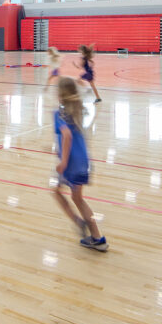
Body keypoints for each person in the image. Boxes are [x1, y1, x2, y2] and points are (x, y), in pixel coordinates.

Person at [51, 77, 108, 251]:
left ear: (60, 95)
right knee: (78, 198)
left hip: (71, 164)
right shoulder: (78, 110)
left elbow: (67, 135)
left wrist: (63, 162)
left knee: (56, 191)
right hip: (84, 161)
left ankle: (78, 222)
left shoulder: (59, 114)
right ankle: (97, 238)